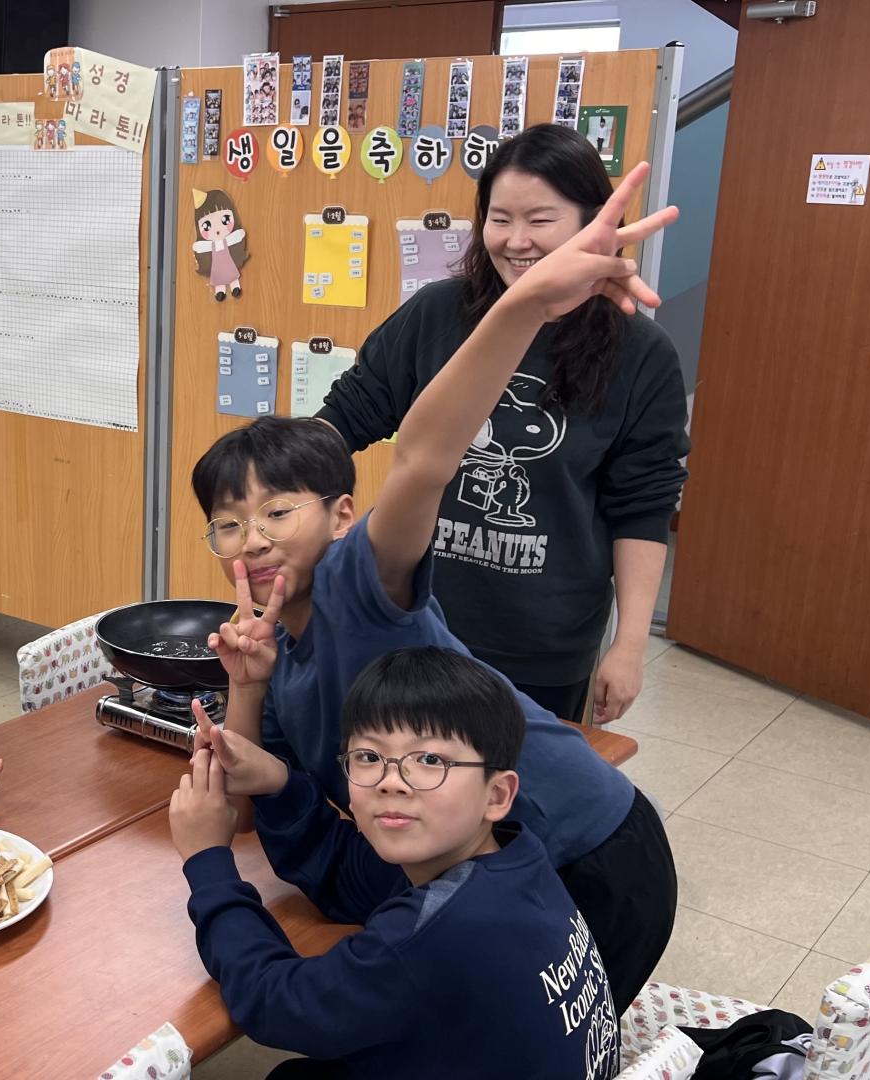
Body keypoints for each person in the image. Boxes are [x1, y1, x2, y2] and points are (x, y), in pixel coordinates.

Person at [194, 161, 678, 1006]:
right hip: (488, 867)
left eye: (280, 512)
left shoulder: (359, 588)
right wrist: (248, 681)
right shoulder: (275, 646)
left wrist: (526, 303)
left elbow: (423, 457)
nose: (256, 539)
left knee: (530, 1048)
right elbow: (250, 790)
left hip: (590, 853)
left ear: (342, 516)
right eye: (230, 524)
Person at [314, 124, 689, 725]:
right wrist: (284, 519)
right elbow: (340, 423)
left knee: (516, 782)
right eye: (499, 218)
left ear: (593, 222)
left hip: (543, 644)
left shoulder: (640, 353)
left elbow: (643, 506)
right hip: (410, 620)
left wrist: (629, 645)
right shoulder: (437, 313)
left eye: (541, 220)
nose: (516, 241)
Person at [171, 648, 620, 1079]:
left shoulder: (439, 934)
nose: (392, 781)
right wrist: (278, 783)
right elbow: (350, 874)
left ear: (497, 794)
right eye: (369, 757)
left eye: (429, 760)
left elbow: (277, 1004)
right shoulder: (514, 859)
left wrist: (208, 861)